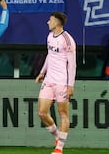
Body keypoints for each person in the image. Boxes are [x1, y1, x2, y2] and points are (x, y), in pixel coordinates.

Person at [35, 12, 76, 154]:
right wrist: (42, 72)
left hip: (62, 82)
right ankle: (58, 136)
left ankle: (59, 148)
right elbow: (49, 55)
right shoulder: (49, 37)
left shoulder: (67, 40)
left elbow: (72, 65)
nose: (48, 22)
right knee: (42, 112)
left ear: (57, 22)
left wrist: (70, 85)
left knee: (63, 114)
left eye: (50, 20)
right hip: (49, 80)